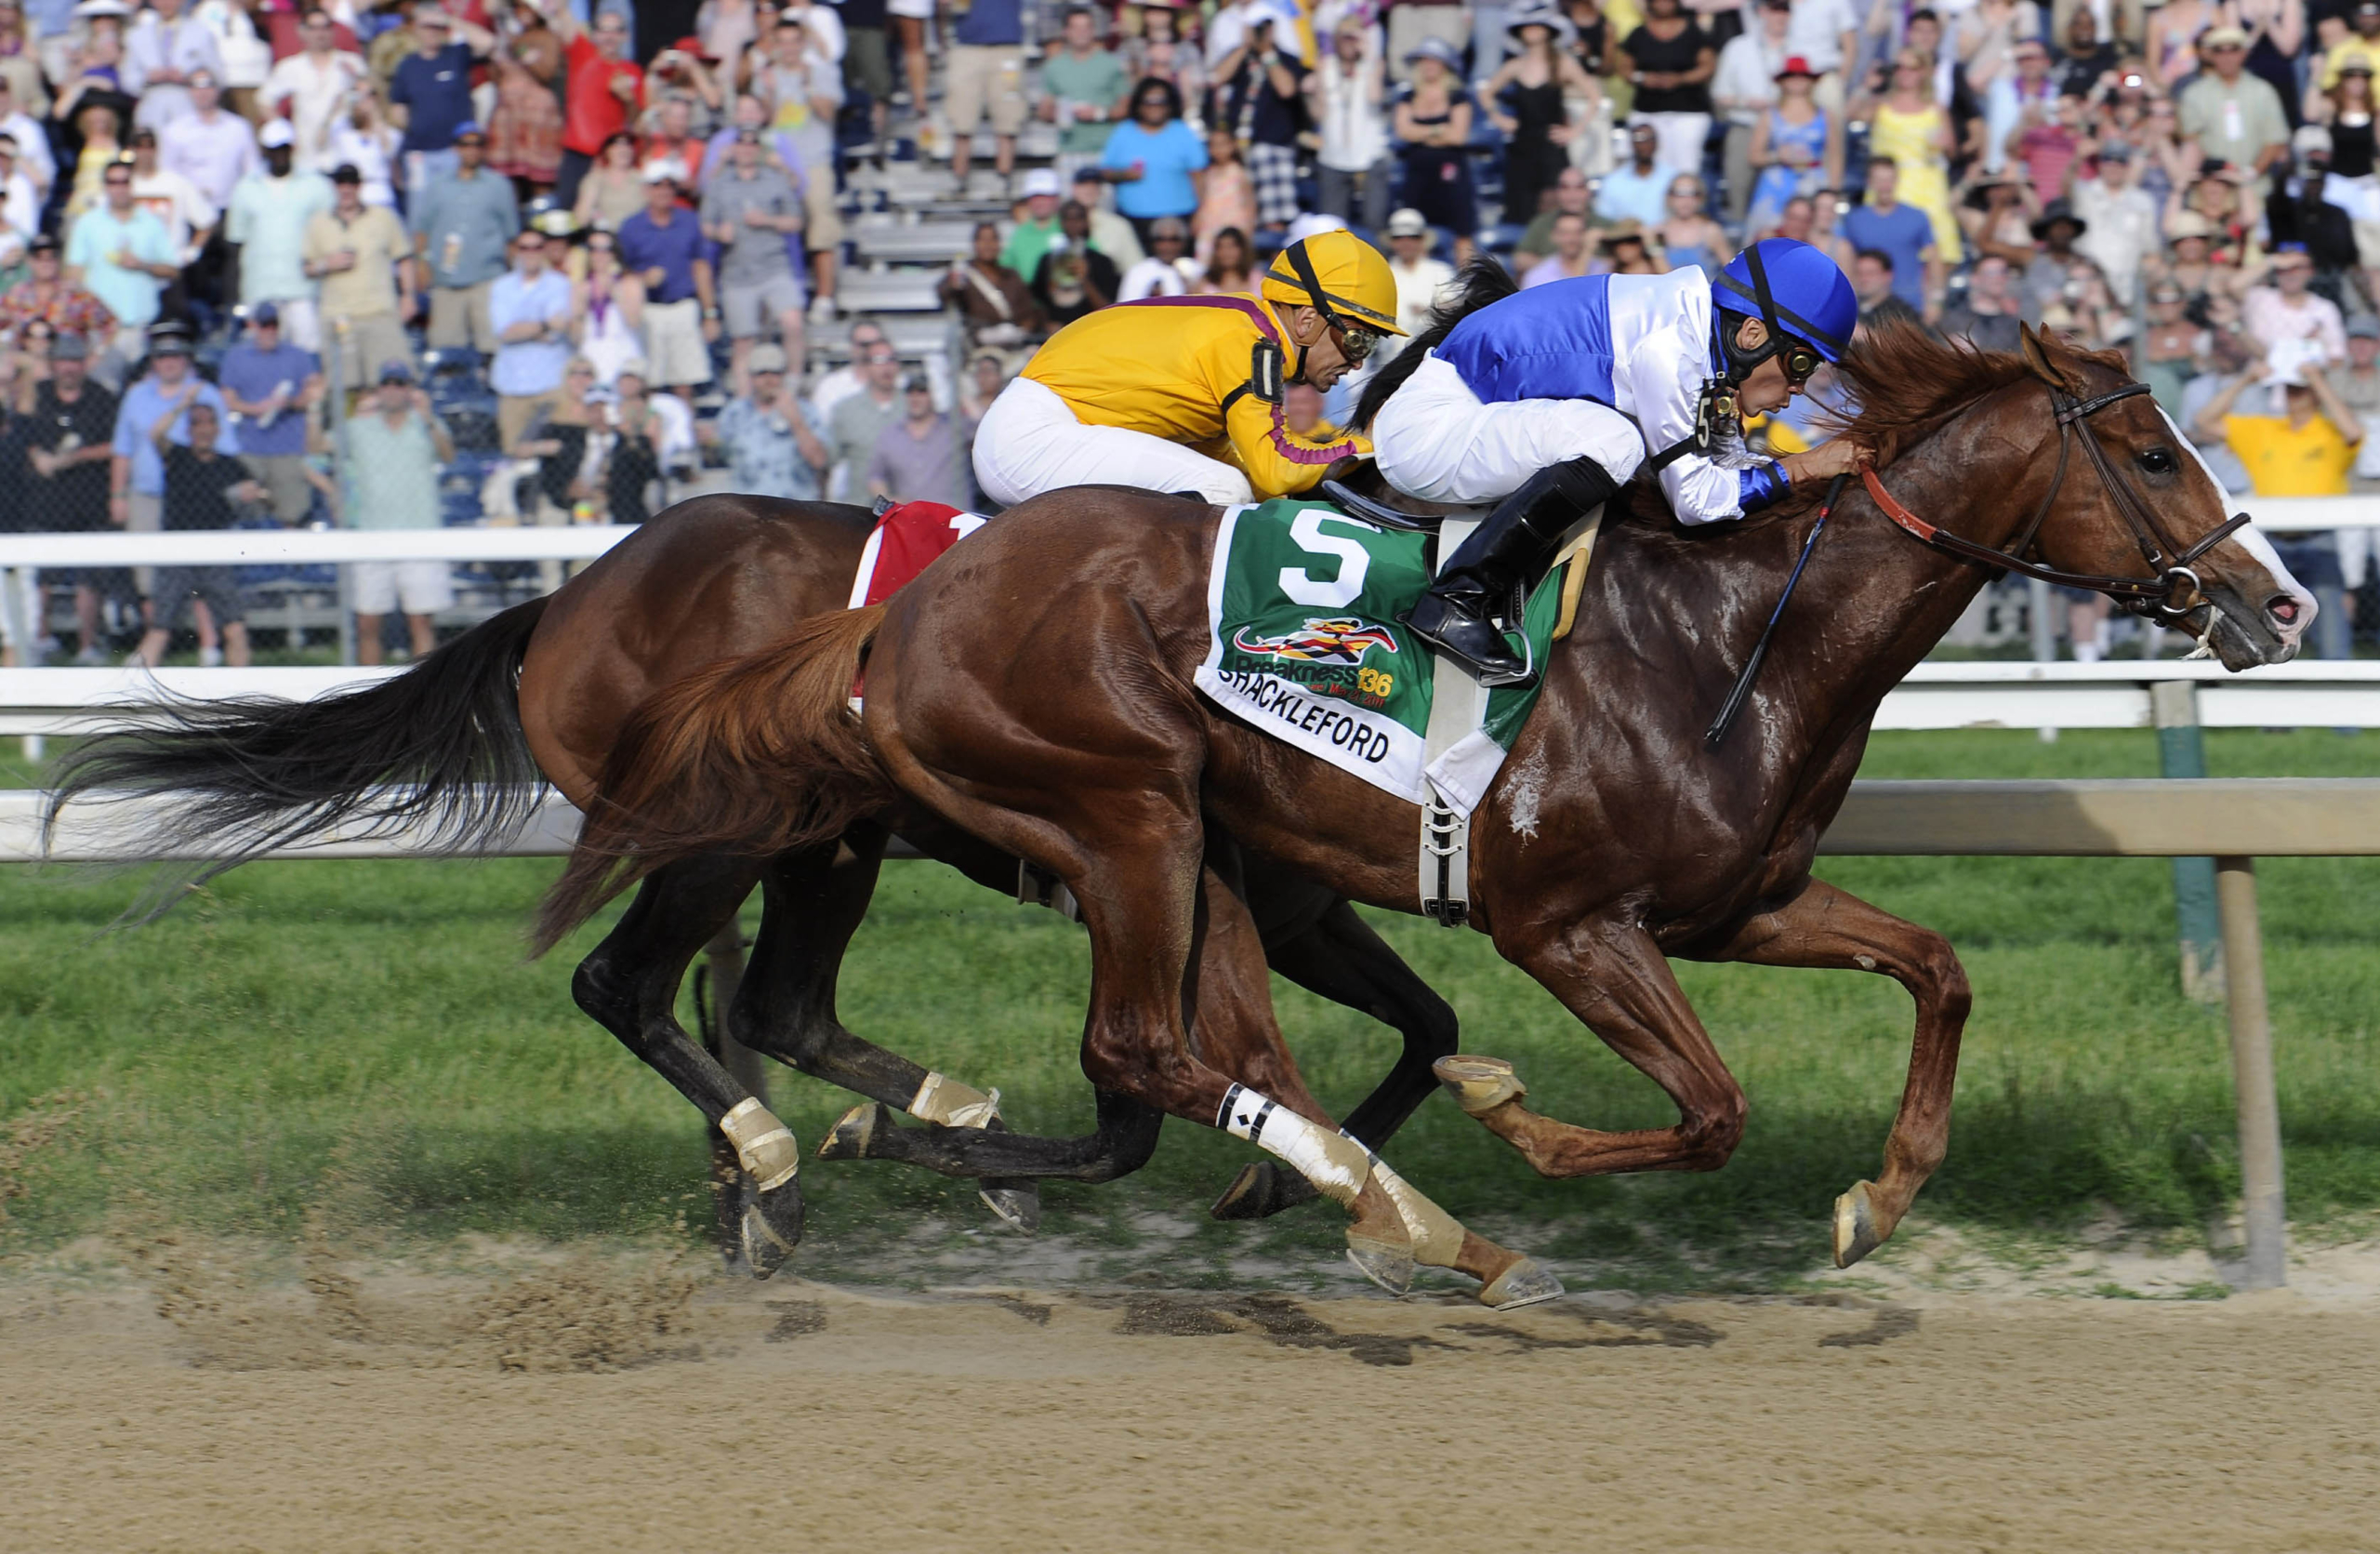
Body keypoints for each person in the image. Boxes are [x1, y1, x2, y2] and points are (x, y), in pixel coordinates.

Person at [1373, 238, 1865, 684]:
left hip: (1468, 417)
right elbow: (1697, 501)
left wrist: (1806, 470)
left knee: (1619, 444)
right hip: (1430, 432)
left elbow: (1727, 470)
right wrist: (1805, 466)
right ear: (1752, 334)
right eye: (1800, 363)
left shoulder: (1696, 337)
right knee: (1617, 443)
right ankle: (1459, 598)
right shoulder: (1671, 348)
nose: (1800, 387)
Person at [972, 228, 1398, 507]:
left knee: (1233, 486)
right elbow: (1277, 468)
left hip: (1041, 427)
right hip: (1033, 437)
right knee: (1223, 490)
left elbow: (1243, 464)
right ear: (1306, 319)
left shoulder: (1248, 326)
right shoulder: (1253, 343)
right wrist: (1376, 446)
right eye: (1356, 338)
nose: (1358, 360)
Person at [130, 397, 264, 667]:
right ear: (189, 430)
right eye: (196, 423)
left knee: (235, 627)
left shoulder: (230, 466)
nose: (203, 430)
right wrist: (184, 403)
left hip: (215, 554)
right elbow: (156, 434)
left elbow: (259, 505)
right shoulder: (177, 457)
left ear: (218, 429)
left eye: (209, 423)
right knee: (159, 628)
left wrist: (253, 496)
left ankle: (243, 686)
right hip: (177, 553)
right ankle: (131, 686)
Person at [341, 359, 452, 663]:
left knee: (421, 621)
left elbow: (448, 455)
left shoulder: (425, 424)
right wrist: (313, 410)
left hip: (420, 532)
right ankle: (366, 688)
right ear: (378, 390)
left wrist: (428, 418)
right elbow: (316, 450)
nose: (392, 390)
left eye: (399, 383)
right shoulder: (358, 427)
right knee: (367, 622)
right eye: (387, 384)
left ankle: (424, 689)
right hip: (371, 534)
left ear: (409, 390)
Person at [110, 320, 235, 581]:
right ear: (153, 361)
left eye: (176, 356)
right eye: (162, 356)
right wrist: (118, 495)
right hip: (147, 495)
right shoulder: (136, 395)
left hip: (194, 498)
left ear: (187, 359)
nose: (169, 363)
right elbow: (123, 449)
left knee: (197, 575)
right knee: (146, 574)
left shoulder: (207, 394)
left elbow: (225, 448)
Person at [22, 330, 119, 663]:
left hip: (88, 498)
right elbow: (22, 431)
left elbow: (114, 445)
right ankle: (41, 639)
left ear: (84, 364)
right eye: (63, 361)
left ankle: (87, 646)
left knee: (88, 577)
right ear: (53, 364)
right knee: (42, 576)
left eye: (75, 361)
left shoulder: (101, 397)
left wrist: (75, 457)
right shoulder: (39, 394)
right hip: (44, 499)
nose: (69, 368)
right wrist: (37, 455)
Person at [701, 126, 807, 386]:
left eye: (752, 144)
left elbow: (796, 221)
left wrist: (767, 220)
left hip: (773, 265)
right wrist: (718, 232)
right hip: (737, 271)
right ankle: (744, 399)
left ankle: (793, 382)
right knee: (743, 342)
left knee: (793, 323)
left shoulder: (775, 179)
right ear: (734, 148)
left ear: (758, 149)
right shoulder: (719, 183)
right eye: (742, 144)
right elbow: (705, 224)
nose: (746, 149)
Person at [302, 163, 414, 392]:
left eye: (351, 183)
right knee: (345, 389)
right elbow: (307, 267)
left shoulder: (383, 217)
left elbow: (403, 258)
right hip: (338, 317)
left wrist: (408, 296)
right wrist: (327, 263)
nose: (346, 189)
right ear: (334, 187)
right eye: (341, 183)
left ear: (359, 186)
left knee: (391, 383)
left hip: (378, 313)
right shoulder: (318, 222)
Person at [410, 124, 518, 358]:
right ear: (455, 148)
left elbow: (511, 237)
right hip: (446, 281)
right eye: (465, 144)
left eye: (477, 144)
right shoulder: (437, 186)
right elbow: (422, 231)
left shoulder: (499, 186)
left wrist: (514, 281)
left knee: (493, 349)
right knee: (446, 353)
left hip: (487, 280)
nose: (471, 150)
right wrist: (421, 265)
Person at [223, 121, 333, 350]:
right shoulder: (245, 188)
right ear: (265, 151)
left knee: (308, 352)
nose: (279, 155)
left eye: (284, 148)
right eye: (273, 150)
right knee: (263, 355)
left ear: (292, 148)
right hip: (260, 288)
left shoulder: (317, 185)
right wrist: (235, 297)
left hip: (303, 288)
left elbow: (329, 236)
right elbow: (236, 243)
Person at [1488, 7, 1599, 232]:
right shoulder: (1515, 66)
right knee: (1520, 209)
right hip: (1522, 149)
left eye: (1537, 25)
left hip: (1551, 149)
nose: (1531, 30)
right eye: (1527, 26)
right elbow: (1486, 93)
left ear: (1549, 31)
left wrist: (1574, 131)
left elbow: (1594, 96)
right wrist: (1498, 118)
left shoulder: (1563, 63)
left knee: (1554, 209)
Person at [215, 301, 323, 525]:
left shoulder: (297, 356)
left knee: (291, 515)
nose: (269, 331)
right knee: (248, 512)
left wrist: (290, 402)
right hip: (250, 449)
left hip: (289, 449)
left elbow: (314, 391)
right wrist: (257, 408)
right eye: (264, 325)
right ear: (253, 326)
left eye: (274, 325)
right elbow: (227, 400)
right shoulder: (237, 357)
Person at [65, 156, 176, 367]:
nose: (119, 188)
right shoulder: (88, 223)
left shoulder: (151, 222)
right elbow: (74, 273)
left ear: (132, 184)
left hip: (141, 326)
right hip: (101, 329)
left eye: (124, 181)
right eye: (113, 182)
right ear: (105, 186)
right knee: (103, 384)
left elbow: (172, 269)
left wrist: (142, 265)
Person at [615, 163, 714, 394]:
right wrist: (643, 279)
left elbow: (700, 267)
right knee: (651, 381)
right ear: (646, 190)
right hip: (649, 310)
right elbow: (621, 272)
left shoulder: (689, 221)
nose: (664, 191)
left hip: (683, 306)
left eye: (669, 186)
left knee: (685, 380)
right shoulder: (631, 227)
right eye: (657, 186)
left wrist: (710, 313)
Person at [387, 3, 494, 205]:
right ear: (416, 28)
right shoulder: (407, 65)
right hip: (419, 153)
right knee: (420, 209)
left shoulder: (456, 55)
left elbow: (487, 42)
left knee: (457, 206)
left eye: (436, 26)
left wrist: (449, 20)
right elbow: (398, 109)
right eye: (426, 26)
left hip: (454, 152)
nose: (432, 31)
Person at [1211, 13, 1308, 232]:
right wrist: (1244, 46)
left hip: (1272, 148)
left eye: (1264, 27)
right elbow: (1216, 78)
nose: (1260, 32)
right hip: (1238, 149)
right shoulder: (1240, 58)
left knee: (1274, 219)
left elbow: (1286, 89)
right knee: (1239, 214)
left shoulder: (1286, 59)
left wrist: (1267, 52)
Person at [703, 340, 830, 498]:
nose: (768, 379)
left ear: (784, 375)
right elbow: (720, 453)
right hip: (751, 507)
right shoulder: (734, 413)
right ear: (751, 377)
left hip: (795, 506)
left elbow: (819, 461)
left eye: (775, 372)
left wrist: (796, 421)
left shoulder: (806, 411)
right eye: (761, 373)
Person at [549, 0, 643, 209]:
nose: (609, 36)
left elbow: (637, 123)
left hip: (609, 160)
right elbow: (563, 12)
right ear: (596, 34)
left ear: (625, 36)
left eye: (616, 31)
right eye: (604, 30)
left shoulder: (632, 71)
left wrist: (627, 98)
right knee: (567, 213)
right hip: (576, 154)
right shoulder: (583, 53)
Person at [488, 226, 574, 451]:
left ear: (544, 250)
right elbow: (505, 332)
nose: (530, 253)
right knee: (513, 451)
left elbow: (558, 329)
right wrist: (543, 324)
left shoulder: (561, 284)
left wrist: (525, 328)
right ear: (516, 251)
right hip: (512, 384)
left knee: (556, 450)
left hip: (551, 382)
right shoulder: (501, 287)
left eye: (536, 247)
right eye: (524, 248)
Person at [1394, 38, 1477, 263]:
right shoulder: (1408, 96)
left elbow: (1458, 136)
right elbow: (1403, 131)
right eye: (1424, 60)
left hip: (1451, 174)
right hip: (1418, 173)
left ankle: (1469, 280)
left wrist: (1420, 132)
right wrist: (1439, 130)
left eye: (1434, 60)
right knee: (1415, 232)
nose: (1429, 65)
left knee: (1462, 233)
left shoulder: (1458, 96)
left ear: (1445, 65)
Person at [258, 8, 367, 174]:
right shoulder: (291, 67)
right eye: (314, 28)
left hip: (345, 154)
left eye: (325, 27)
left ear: (333, 31)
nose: (320, 34)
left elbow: (368, 100)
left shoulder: (351, 63)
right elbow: (264, 100)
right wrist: (285, 133)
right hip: (306, 157)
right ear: (302, 32)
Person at [1311, 17, 1393, 234]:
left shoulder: (1373, 64)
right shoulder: (1326, 66)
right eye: (1344, 37)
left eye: (1353, 37)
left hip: (1369, 156)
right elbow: (1318, 113)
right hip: (1333, 157)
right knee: (1331, 227)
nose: (1349, 43)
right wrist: (1318, 80)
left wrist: (1367, 56)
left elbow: (1375, 97)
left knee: (1374, 224)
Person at [1098, 76, 1206, 241]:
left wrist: (1201, 213)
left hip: (1178, 218)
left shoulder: (1183, 132)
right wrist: (1125, 174)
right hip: (1133, 218)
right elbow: (1105, 172)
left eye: (1161, 101)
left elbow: (1198, 177)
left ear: (1170, 105)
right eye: (1148, 101)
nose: (1155, 107)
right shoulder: (1123, 132)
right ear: (1138, 105)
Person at [1714, 0, 1790, 228]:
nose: (1781, 16)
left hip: (1784, 130)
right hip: (1745, 126)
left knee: (1785, 201)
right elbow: (1719, 95)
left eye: (1786, 10)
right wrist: (1748, 102)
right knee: (1739, 190)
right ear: (1762, 11)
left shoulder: (1799, 47)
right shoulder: (1738, 47)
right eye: (1775, 9)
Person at [1619, 0, 1715, 176]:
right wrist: (1643, 78)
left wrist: (1680, 79)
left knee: (1686, 167)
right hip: (1648, 110)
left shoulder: (1694, 32)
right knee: (1650, 169)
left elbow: (1708, 67)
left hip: (1688, 111)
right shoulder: (1639, 34)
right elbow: (1624, 69)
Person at [2179, 27, 2291, 177]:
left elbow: (2275, 139)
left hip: (2256, 183)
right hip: (2210, 183)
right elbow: (2191, 141)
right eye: (2219, 51)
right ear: (2211, 55)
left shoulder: (2263, 91)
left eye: (2233, 49)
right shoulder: (2194, 94)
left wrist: (2251, 173)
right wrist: (2216, 174)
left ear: (2243, 53)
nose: (2227, 57)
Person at [1747, 57, 1839, 235]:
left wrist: (1833, 192)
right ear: (1782, 81)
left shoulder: (1825, 115)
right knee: (1769, 235)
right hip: (1777, 185)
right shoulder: (1770, 115)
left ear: (1811, 81)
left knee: (1816, 233)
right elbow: (1754, 156)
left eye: (1802, 76)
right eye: (1791, 76)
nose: (1797, 80)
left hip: (1814, 182)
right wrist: (1776, 156)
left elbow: (1835, 156)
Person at [1836, 158, 1937, 316]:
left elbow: (1933, 258)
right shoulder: (1854, 220)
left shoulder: (1917, 217)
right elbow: (1847, 260)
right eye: (1879, 180)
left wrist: (1935, 301)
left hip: (1910, 305)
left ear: (1897, 181)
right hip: (1868, 307)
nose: (1885, 185)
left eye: (1889, 179)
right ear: (1870, 182)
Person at [1039, 6, 1129, 184]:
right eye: (1076, 27)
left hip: (1105, 150)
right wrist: (1059, 113)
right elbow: (1044, 112)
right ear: (1066, 32)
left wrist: (1098, 113)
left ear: (1093, 31)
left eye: (1086, 27)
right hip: (1069, 149)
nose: (1081, 33)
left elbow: (1126, 108)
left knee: (1105, 201)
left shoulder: (1111, 64)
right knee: (1070, 201)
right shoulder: (1054, 67)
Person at [945, 0, 1025, 187]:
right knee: (962, 116)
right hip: (967, 47)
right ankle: (959, 177)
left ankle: (1004, 175)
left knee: (1009, 113)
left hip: (1008, 48)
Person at [866, 370, 970, 507]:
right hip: (909, 515)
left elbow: (981, 422)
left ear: (933, 395)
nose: (915, 399)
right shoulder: (890, 434)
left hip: (952, 514)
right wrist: (889, 499)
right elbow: (875, 476)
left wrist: (956, 390)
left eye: (922, 392)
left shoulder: (954, 428)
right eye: (910, 393)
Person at [157, 69, 254, 215]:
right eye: (196, 85)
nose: (203, 91)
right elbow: (167, 173)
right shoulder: (174, 130)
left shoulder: (239, 128)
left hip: (231, 208)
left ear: (217, 89)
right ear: (189, 91)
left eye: (208, 85)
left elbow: (252, 170)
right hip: (189, 212)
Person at [942, 219, 1043, 349]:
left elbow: (1028, 310)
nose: (988, 245)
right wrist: (952, 285)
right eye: (983, 240)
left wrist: (1024, 329)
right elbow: (944, 294)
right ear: (975, 244)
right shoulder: (965, 274)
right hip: (980, 346)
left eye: (993, 239)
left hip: (1014, 344)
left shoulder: (1011, 275)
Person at [0, 232, 112, 342]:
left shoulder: (76, 294)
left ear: (59, 260)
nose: (45, 263)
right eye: (38, 257)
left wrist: (98, 351)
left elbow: (109, 325)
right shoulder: (16, 294)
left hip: (68, 351)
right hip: (27, 353)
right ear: (29, 261)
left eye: (51, 257)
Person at [827, 339, 901, 501]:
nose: (886, 367)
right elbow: (828, 461)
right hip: (860, 507)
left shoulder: (915, 407)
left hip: (907, 509)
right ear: (866, 367)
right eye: (879, 360)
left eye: (891, 359)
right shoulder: (846, 410)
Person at [1031, 206, 1118, 326]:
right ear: (1061, 222)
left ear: (1086, 222)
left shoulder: (1102, 262)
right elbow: (1038, 302)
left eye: (1078, 218)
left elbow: (1108, 307)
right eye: (1067, 219)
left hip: (1091, 327)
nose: (1072, 224)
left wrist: (1084, 279)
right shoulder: (1047, 260)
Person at [1382, 206, 1454, 342]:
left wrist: (1428, 310)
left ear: (1423, 240)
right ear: (1391, 242)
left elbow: (1453, 307)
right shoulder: (1382, 274)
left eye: (1413, 237)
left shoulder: (1442, 271)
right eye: (1398, 238)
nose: (1406, 243)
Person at [1937, 252, 2024, 352]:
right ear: (1974, 279)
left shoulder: (2014, 326)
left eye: (2003, 272)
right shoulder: (1953, 319)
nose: (1998, 278)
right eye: (1991, 273)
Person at [1593, 121, 1671, 228]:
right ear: (1631, 143)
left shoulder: (1672, 178)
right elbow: (1604, 218)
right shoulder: (1613, 181)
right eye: (1639, 138)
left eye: (1649, 138)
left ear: (1657, 143)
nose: (1644, 144)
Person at [1515, 166, 1593, 268]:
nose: (1572, 194)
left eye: (1579, 187)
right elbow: (1520, 259)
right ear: (1557, 192)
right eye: (1565, 188)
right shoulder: (1541, 223)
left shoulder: (1605, 225)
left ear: (1588, 191)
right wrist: (1559, 268)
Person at [1067, 166, 1144, 271]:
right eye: (1084, 185)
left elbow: (1136, 267)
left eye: (1094, 185)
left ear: (1101, 190)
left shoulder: (1118, 225)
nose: (1089, 189)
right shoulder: (1059, 223)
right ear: (1074, 188)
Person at [1119, 215, 1193, 301]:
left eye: (1174, 239)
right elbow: (1126, 304)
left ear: (1184, 241)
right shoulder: (1138, 271)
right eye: (1161, 239)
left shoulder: (1195, 269)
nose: (1167, 245)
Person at [1523, 210, 1594, 286]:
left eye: (1578, 232)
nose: (1571, 239)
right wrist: (1586, 252)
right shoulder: (1538, 274)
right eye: (1564, 233)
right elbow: (1574, 289)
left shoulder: (1600, 268)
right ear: (1554, 236)